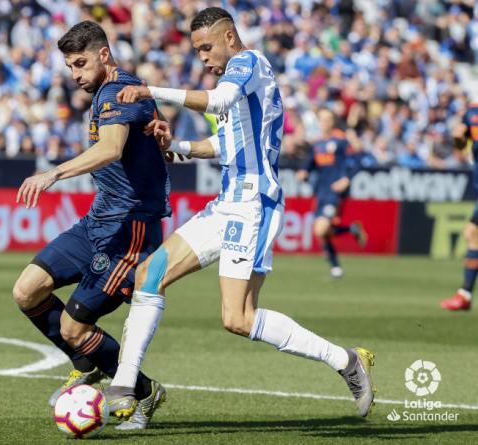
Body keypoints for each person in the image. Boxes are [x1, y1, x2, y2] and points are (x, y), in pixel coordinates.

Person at [102, 7, 376, 422]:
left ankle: (345, 360)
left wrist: (149, 91)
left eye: (207, 47)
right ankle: (128, 384)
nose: (203, 58)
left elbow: (219, 100)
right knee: (149, 274)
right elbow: (224, 145)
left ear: (230, 37)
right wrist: (175, 146)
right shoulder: (238, 82)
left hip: (253, 205)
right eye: (197, 51)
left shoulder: (249, 63)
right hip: (226, 203)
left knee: (238, 318)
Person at [13, 21, 170, 428]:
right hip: (97, 222)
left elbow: (111, 148)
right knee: (27, 291)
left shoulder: (119, 90)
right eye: (69, 67)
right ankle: (87, 363)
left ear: (104, 54)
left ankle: (143, 392)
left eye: (80, 64)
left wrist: (53, 173)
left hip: (129, 231)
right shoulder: (111, 91)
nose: (75, 75)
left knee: (74, 326)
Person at [296, 108, 367, 278]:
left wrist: (347, 179)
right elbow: (310, 163)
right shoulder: (318, 143)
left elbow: (359, 157)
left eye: (328, 119)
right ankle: (336, 267)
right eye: (322, 119)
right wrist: (304, 172)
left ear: (333, 121)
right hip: (321, 191)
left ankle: (337, 261)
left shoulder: (340, 140)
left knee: (321, 229)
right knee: (323, 232)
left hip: (335, 192)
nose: (325, 122)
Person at [440, 101, 478, 311]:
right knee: (473, 233)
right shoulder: (472, 113)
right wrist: (459, 138)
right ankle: (465, 294)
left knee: (472, 232)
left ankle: (465, 294)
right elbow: (462, 147)